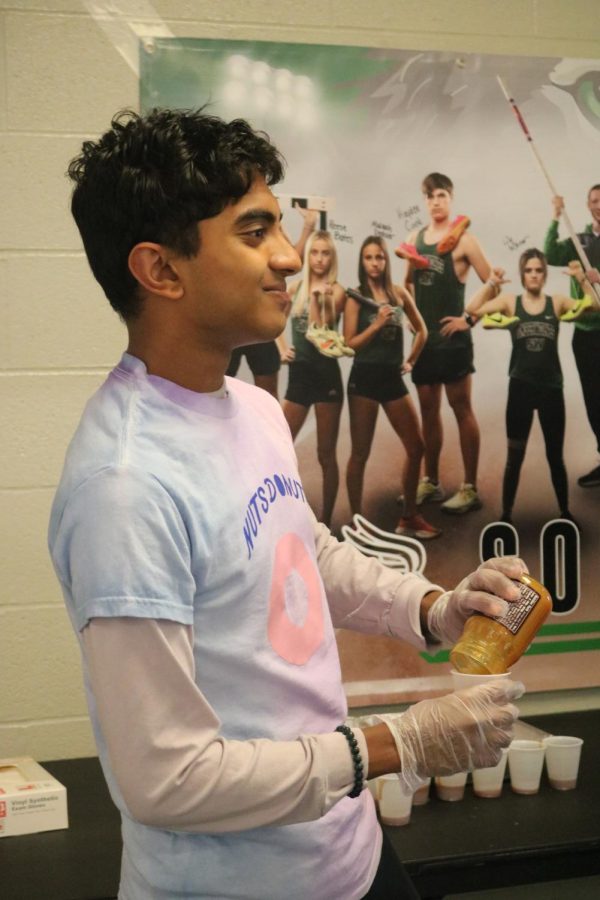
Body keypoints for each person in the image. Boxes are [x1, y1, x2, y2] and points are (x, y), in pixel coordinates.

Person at [49, 108, 526, 900]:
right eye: (253, 231)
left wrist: (433, 606)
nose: (288, 258)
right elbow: (166, 780)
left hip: (350, 854)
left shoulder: (251, 407)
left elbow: (306, 554)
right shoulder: (125, 486)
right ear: (161, 271)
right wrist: (394, 745)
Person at [466, 249, 596, 524]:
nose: (534, 275)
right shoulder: (510, 303)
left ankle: (564, 513)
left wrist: (582, 279)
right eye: (529, 270)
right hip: (521, 390)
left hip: (551, 389)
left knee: (555, 457)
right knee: (515, 458)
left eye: (538, 270)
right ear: (523, 274)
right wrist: (491, 284)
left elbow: (595, 306)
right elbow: (473, 309)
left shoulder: (557, 302)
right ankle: (506, 516)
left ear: (544, 274)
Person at [398, 172, 493, 515]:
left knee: (461, 408)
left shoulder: (465, 241)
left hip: (453, 343)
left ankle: (469, 487)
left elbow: (492, 285)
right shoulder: (414, 238)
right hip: (424, 345)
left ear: (450, 198)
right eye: (430, 197)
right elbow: (406, 285)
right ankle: (431, 481)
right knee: (428, 413)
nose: (436, 201)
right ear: (425, 202)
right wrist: (412, 320)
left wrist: (468, 320)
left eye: (441, 195)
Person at [343, 235, 440, 539]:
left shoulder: (398, 294)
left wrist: (411, 360)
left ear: (386, 261)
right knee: (360, 452)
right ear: (362, 262)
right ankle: (357, 523)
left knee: (417, 446)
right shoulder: (355, 296)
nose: (374, 263)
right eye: (369, 258)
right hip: (364, 380)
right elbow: (349, 345)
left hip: (391, 379)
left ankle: (409, 517)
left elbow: (422, 330)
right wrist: (376, 324)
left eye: (379, 257)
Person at [281, 230, 348, 526]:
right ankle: (284, 512)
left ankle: (327, 520)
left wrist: (320, 302)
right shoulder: (295, 289)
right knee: (281, 445)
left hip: (326, 377)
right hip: (299, 378)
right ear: (307, 256)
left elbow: (320, 333)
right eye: (315, 253)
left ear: (332, 258)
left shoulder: (337, 291)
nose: (319, 259)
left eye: (325, 253)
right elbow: (275, 322)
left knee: (325, 453)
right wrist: (283, 349)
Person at [226, 206, 319, 397]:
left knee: (268, 393)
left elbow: (293, 260)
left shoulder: (275, 229)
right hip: (228, 320)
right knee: (216, 388)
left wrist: (308, 225)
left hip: (258, 318)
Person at [544, 187, 600, 487]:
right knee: (595, 399)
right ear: (587, 205)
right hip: (585, 333)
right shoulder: (580, 242)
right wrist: (555, 217)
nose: (598, 206)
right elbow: (550, 253)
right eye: (594, 201)